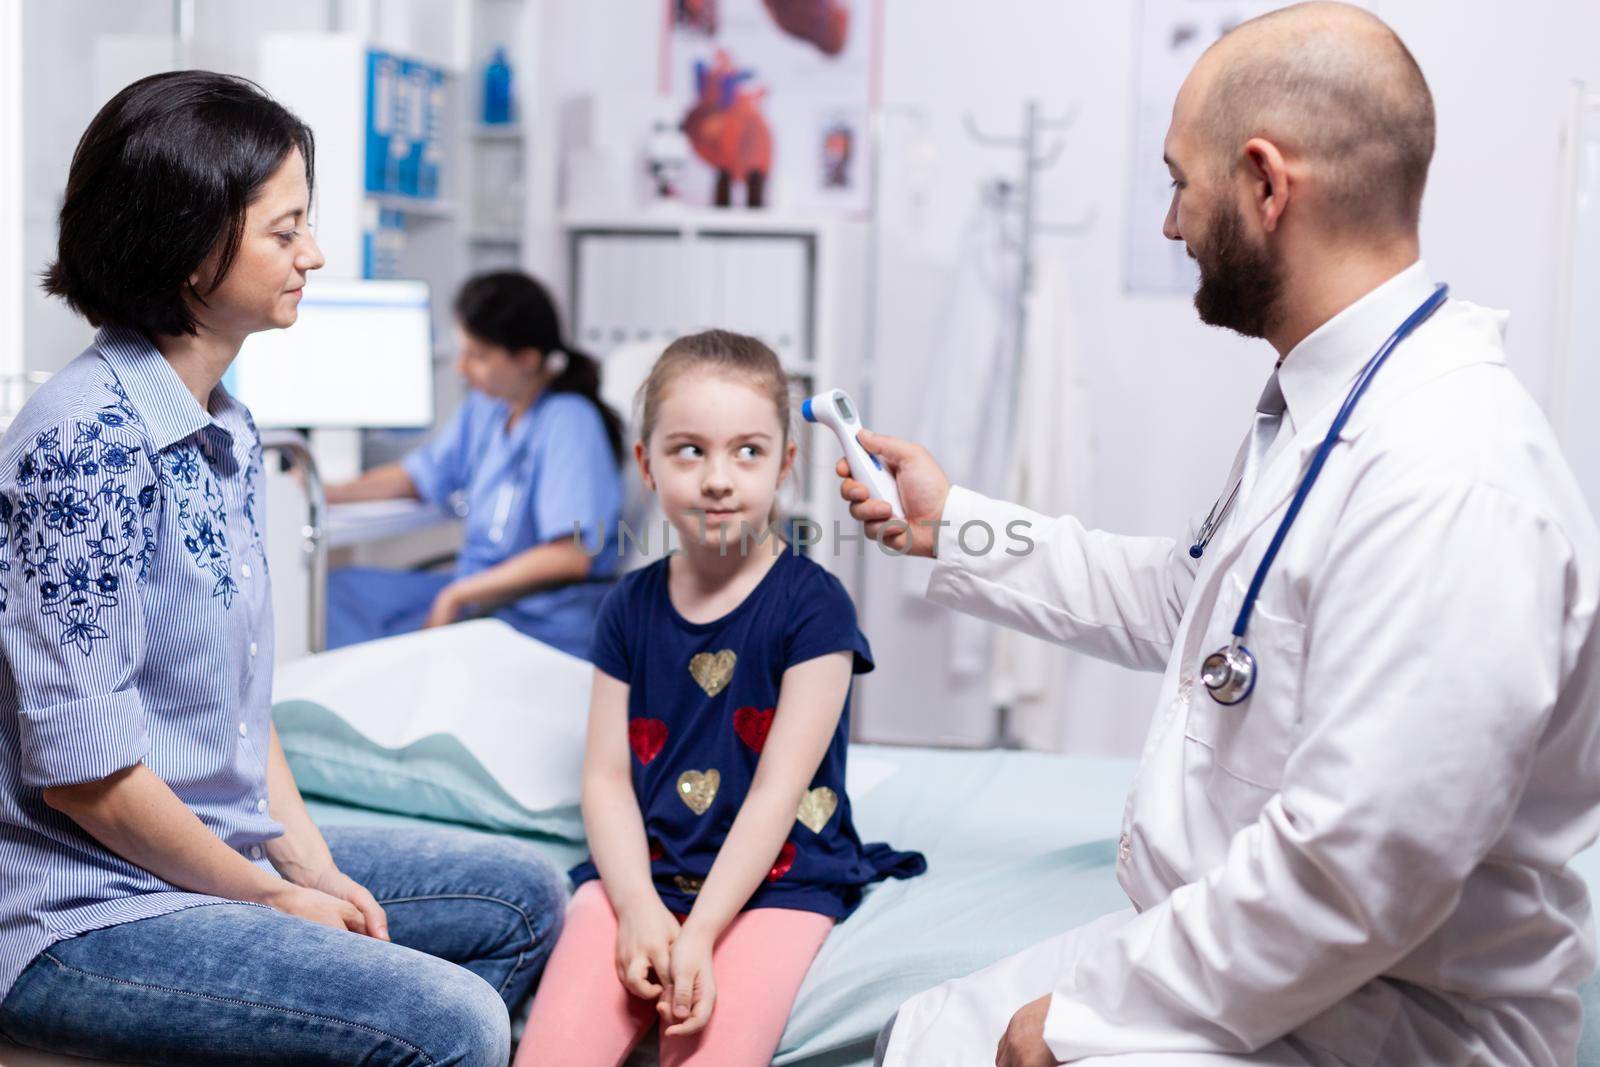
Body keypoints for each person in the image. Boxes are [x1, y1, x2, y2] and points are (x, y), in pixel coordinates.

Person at [847, 5, 1600, 1066]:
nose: (1170, 224)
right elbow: (1199, 609)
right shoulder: (1331, 409)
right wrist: (954, 526)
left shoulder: (1446, 475)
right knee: (920, 1035)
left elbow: (1352, 875)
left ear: (1262, 181)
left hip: (1388, 1021)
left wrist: (1083, 1016)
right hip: (1282, 966)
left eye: (1177, 181)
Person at [0, 71, 566, 1067]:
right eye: (286, 229)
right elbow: (86, 779)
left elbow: (237, 713)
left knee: (520, 896)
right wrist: (268, 894)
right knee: (453, 1022)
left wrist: (308, 861)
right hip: (83, 904)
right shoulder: (84, 438)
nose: (313, 254)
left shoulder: (225, 426)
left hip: (209, 850)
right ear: (189, 248)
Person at [515, 330, 924, 1066]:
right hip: (648, 868)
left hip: (781, 876)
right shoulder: (627, 607)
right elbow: (607, 777)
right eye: (688, 450)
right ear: (646, 463)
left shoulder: (815, 609)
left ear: (785, 465)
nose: (718, 478)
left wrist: (699, 932)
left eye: (747, 450)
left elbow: (776, 791)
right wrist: (637, 906)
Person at [325, 270, 625, 660]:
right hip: (478, 596)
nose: (461, 368)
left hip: (535, 618)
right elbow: (418, 476)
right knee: (338, 593)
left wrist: (457, 595)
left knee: (377, 650)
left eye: (478, 356)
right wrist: (324, 491)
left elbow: (571, 556)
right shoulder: (487, 409)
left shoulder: (569, 421)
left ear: (527, 360)